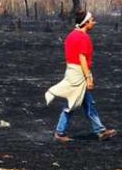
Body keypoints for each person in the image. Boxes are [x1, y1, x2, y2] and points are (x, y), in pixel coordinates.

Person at [44, 10, 117, 143]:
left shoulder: (71, 36)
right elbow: (82, 58)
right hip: (78, 73)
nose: (94, 22)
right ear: (86, 23)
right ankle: (60, 132)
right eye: (92, 20)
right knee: (72, 103)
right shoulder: (83, 38)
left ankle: (100, 130)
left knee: (86, 103)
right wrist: (88, 77)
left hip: (71, 71)